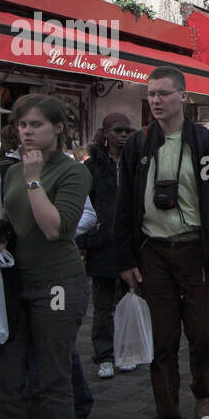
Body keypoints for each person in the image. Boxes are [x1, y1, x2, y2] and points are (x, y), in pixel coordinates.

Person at [114, 67, 209, 419]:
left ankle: (205, 389)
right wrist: (125, 257)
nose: (155, 100)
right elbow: (124, 206)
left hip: (196, 251)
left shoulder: (203, 144)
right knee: (163, 340)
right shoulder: (137, 147)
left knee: (204, 333)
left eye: (163, 94)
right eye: (151, 94)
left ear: (182, 97)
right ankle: (166, 416)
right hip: (154, 253)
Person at [0, 94, 92, 419]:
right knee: (3, 383)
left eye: (36, 125)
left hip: (57, 284)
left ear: (58, 127)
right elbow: (0, 221)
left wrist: (33, 180)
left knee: (51, 378)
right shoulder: (5, 170)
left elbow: (55, 229)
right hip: (12, 284)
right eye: (22, 125)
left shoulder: (71, 172)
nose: (27, 131)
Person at [80, 113, 133, 377]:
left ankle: (124, 350)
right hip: (102, 243)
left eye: (127, 131)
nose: (123, 135)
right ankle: (104, 354)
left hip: (130, 242)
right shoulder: (93, 166)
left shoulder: (135, 164)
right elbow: (83, 205)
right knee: (103, 304)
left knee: (128, 300)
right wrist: (88, 238)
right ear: (106, 133)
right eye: (118, 130)